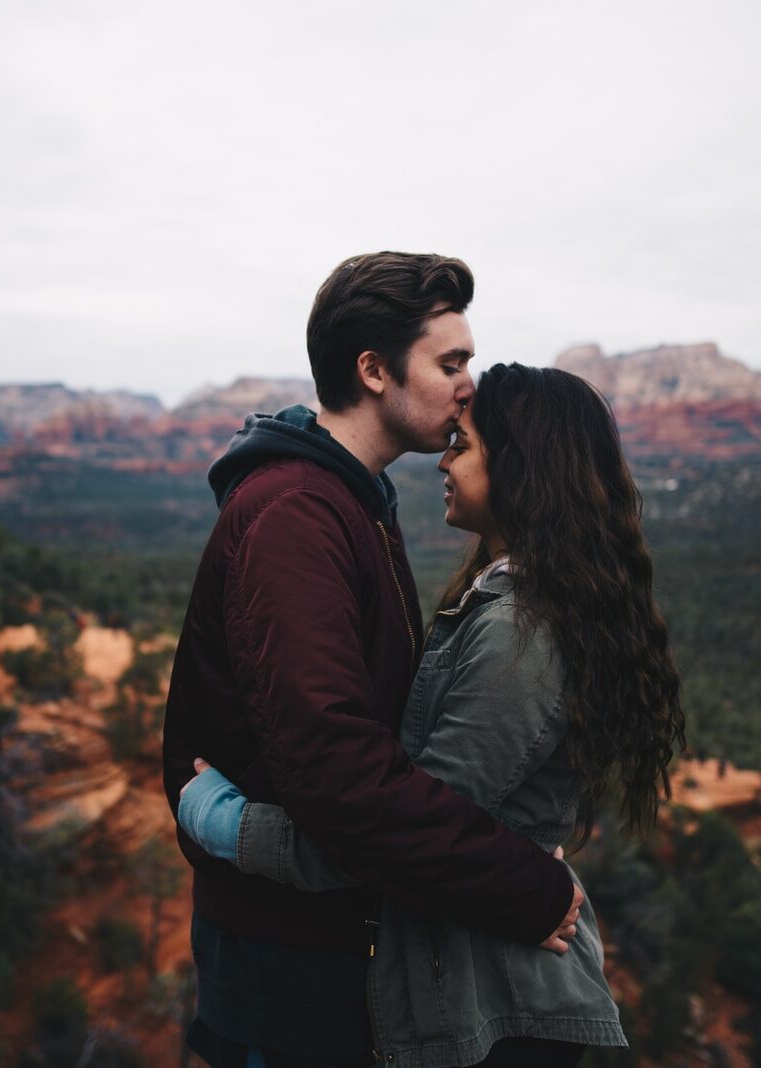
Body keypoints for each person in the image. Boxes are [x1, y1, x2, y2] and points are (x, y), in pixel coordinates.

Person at [181, 361, 687, 1066]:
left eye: (464, 444)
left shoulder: (521, 629)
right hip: (487, 987)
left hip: (503, 1009)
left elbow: (406, 834)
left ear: (522, 471)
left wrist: (231, 827)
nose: (443, 461)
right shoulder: (509, 601)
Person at [162, 256, 584, 1068]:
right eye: (450, 362)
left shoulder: (353, 499)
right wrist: (528, 884)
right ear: (373, 370)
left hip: (334, 952)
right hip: (287, 975)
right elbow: (340, 774)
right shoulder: (296, 513)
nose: (470, 385)